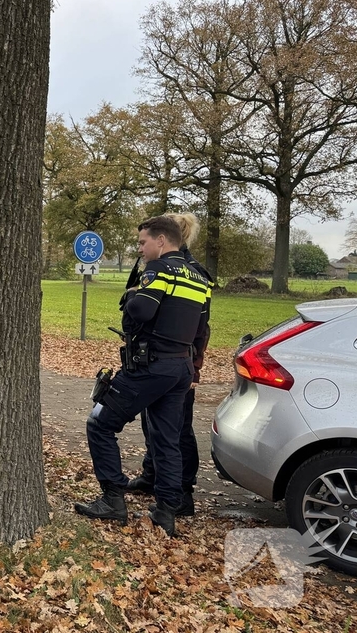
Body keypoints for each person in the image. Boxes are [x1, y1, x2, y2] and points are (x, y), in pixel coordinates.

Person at [74, 216, 211, 536]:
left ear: (161, 240)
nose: (140, 248)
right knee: (167, 439)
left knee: (99, 423)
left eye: (142, 242)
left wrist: (132, 294)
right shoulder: (200, 278)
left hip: (151, 367)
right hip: (181, 368)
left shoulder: (159, 269)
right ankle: (167, 510)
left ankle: (112, 499)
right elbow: (201, 328)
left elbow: (141, 311)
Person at [127, 213, 213, 517]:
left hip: (177, 360)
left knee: (178, 429)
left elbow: (201, 328)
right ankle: (153, 475)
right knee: (154, 422)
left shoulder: (191, 272)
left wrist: (196, 368)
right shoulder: (162, 265)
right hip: (163, 358)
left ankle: (182, 493)